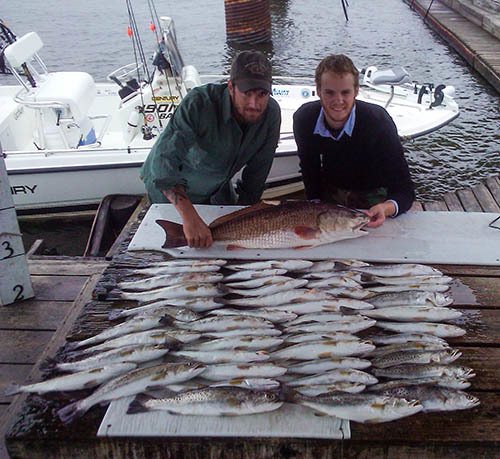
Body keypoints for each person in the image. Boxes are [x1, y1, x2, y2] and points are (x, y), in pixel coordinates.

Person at [140, 51, 281, 248]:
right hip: (169, 192)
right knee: (175, 250)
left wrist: (244, 218)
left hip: (217, 188)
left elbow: (256, 177)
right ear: (231, 87)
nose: (254, 104)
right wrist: (189, 217)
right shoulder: (199, 103)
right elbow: (163, 165)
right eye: (247, 93)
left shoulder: (271, 115)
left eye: (262, 94)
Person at [293, 54, 415, 228]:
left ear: (356, 91)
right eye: (329, 92)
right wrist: (315, 207)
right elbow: (310, 172)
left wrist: (386, 208)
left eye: (345, 92)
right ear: (318, 91)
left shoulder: (378, 121)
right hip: (331, 201)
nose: (338, 101)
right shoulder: (304, 119)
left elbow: (405, 190)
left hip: (375, 200)